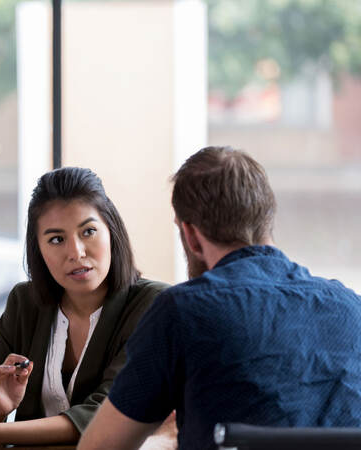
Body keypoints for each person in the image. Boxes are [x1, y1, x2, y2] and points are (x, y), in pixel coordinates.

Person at [78, 146, 361, 450]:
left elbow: (99, 447)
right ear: (268, 218)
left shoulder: (182, 312)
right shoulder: (351, 307)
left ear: (190, 235)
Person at [0, 167, 171, 446]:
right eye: (56, 239)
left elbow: (105, 414)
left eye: (89, 231)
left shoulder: (155, 304)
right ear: (39, 249)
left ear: (112, 232)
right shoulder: (25, 303)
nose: (76, 252)